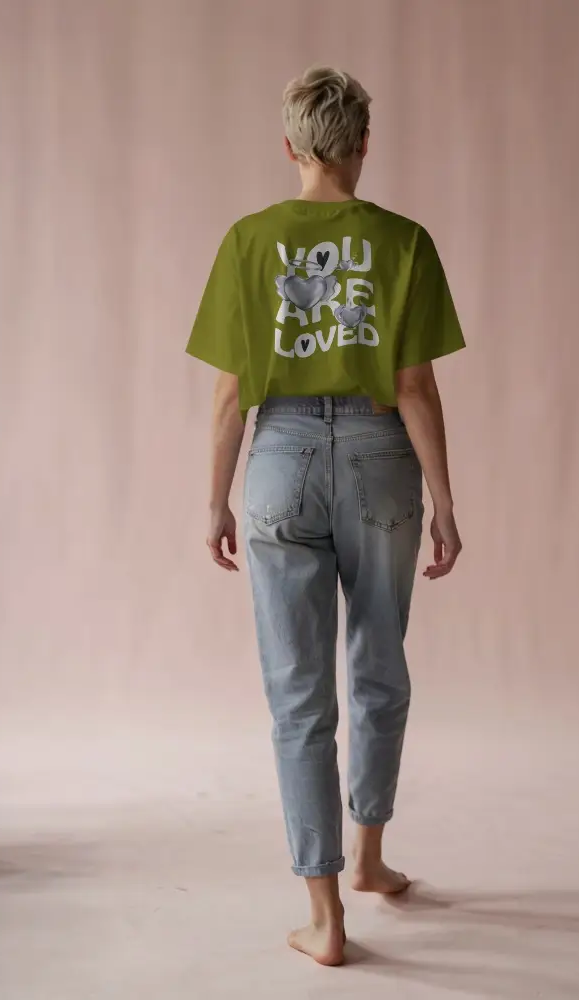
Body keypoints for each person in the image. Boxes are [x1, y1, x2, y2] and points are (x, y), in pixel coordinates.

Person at [186, 66, 465, 966]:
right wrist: (447, 504)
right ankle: (371, 864)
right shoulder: (405, 241)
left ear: (292, 146)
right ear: (361, 146)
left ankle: (324, 916)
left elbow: (232, 394)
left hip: (280, 459)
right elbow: (417, 384)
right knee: (378, 665)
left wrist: (216, 499)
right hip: (383, 458)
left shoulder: (248, 240)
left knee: (297, 697)